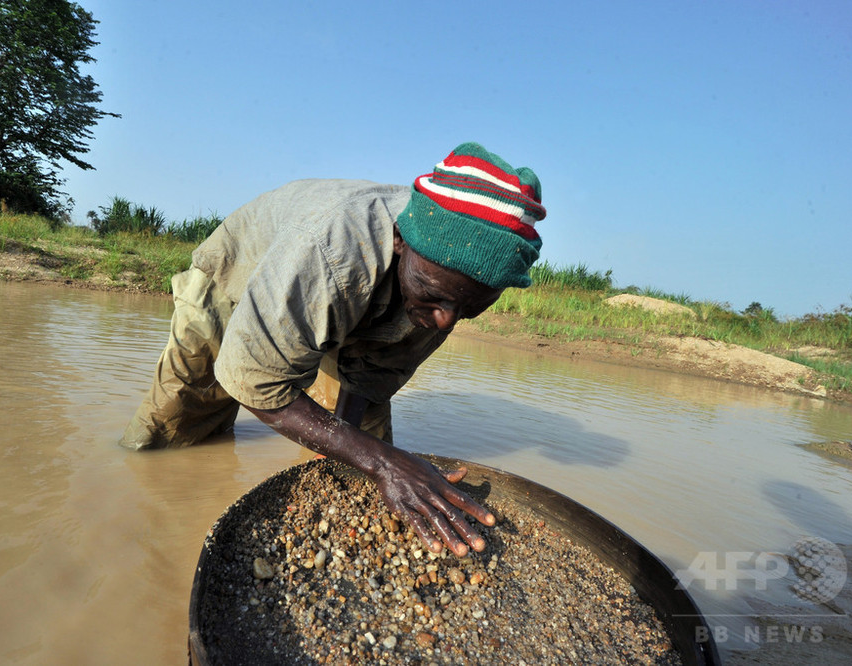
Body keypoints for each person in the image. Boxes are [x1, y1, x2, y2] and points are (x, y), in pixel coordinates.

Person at [120, 142, 547, 557]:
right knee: (178, 425)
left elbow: (374, 375)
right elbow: (254, 378)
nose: (446, 322)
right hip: (238, 287)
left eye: (471, 306)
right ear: (401, 240)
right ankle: (156, 540)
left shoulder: (446, 287)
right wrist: (382, 462)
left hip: (351, 303)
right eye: (435, 297)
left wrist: (360, 457)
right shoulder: (329, 248)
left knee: (357, 453)